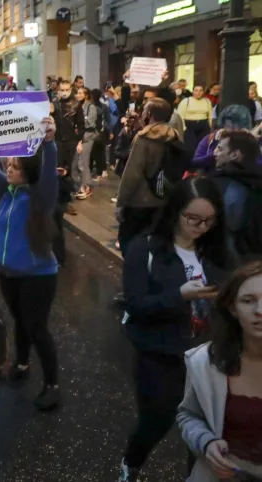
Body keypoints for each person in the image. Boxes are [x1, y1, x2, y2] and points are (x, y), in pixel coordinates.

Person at [118, 178, 229, 482]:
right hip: (158, 353)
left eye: (208, 220)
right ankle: (131, 463)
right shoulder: (145, 249)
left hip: (205, 353)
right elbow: (136, 304)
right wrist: (178, 296)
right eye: (192, 218)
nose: (200, 226)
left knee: (207, 423)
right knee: (157, 418)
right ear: (175, 212)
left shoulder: (213, 251)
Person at [0, 117, 61, 411]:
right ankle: (22, 364)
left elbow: (49, 174)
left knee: (37, 327)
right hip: (7, 274)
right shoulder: (4, 191)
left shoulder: (41, 196)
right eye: (9, 165)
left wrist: (49, 144)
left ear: (29, 172)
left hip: (38, 276)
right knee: (20, 321)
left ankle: (52, 383)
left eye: (15, 167)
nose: (9, 169)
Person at [176, 260, 262, 482]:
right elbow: (188, 415)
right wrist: (206, 442)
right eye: (248, 300)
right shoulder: (206, 363)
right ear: (233, 308)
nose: (260, 311)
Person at [116, 98, 184, 256]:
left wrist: (121, 202)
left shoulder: (143, 138)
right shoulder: (174, 136)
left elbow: (132, 174)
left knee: (131, 245)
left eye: (145, 110)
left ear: (149, 114)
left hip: (139, 201)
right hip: (164, 198)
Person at [211, 130, 262, 264]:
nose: (214, 152)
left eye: (220, 148)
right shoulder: (256, 183)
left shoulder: (224, 186)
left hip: (230, 264)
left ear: (235, 155)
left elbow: (228, 229)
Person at [192, 104, 253, 172]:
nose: (233, 130)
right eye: (229, 126)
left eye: (237, 126)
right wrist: (215, 155)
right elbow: (195, 162)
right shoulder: (212, 138)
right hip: (212, 179)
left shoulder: (250, 140)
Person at [75, 87, 98, 200]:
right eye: (77, 93)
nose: (78, 95)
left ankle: (87, 186)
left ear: (86, 95)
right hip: (79, 136)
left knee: (83, 162)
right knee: (79, 162)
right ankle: (82, 186)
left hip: (87, 136)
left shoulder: (91, 106)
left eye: (80, 93)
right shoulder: (77, 105)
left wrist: (79, 121)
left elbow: (91, 123)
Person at [177, 85, 213, 151]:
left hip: (203, 125)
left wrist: (210, 127)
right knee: (191, 147)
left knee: (202, 146)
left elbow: (210, 115)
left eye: (200, 90)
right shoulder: (186, 101)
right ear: (193, 92)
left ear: (203, 92)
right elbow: (180, 116)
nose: (198, 92)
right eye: (196, 90)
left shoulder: (207, 101)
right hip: (189, 126)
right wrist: (184, 128)